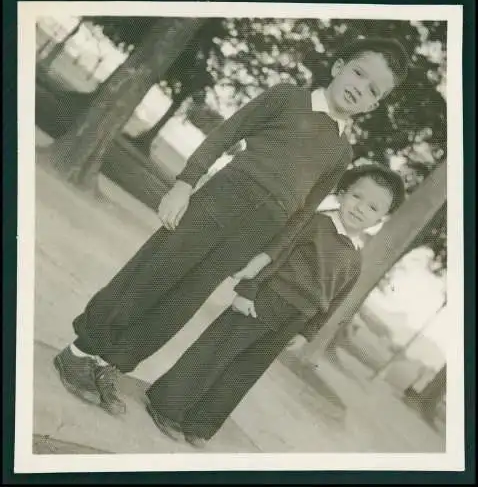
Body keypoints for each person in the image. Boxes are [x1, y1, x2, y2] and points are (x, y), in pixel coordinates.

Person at [53, 38, 410, 416]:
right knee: (152, 276)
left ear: (374, 105)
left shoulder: (342, 153)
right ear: (339, 67)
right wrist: (183, 185)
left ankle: (110, 366)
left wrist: (265, 255)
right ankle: (81, 351)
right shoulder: (288, 98)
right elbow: (227, 134)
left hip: (253, 235)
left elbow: (304, 212)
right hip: (217, 204)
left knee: (181, 303)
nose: (360, 87)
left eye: (374, 90)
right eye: (358, 73)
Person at [144, 164, 406, 447]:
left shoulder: (355, 259)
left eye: (373, 207)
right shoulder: (315, 224)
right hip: (264, 300)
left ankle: (200, 423)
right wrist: (248, 290)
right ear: (342, 194)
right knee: (216, 352)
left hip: (294, 319)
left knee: (244, 371)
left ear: (379, 219)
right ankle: (167, 406)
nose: (360, 208)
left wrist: (307, 333)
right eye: (356, 196)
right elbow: (275, 253)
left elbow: (333, 303)